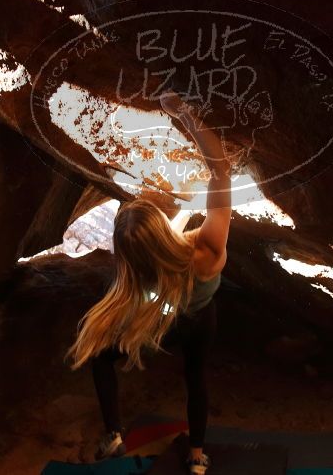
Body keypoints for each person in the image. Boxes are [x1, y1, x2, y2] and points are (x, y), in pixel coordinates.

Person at [65, 91, 232, 474]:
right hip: (198, 320)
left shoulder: (135, 271)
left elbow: (153, 250)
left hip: (159, 316)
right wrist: (184, 112)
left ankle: (114, 434)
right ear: (160, 226)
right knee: (195, 377)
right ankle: (196, 457)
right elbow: (221, 169)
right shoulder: (205, 252)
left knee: (101, 355)